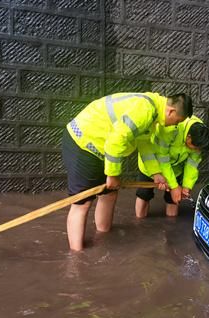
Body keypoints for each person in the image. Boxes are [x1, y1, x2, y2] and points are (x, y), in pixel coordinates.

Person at [61, 92, 193, 251]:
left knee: (110, 193)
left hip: (101, 151)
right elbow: (115, 142)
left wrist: (156, 174)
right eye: (177, 121)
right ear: (170, 111)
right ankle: (77, 259)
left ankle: (103, 238)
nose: (174, 125)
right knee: (82, 202)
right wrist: (113, 174)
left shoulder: (153, 114)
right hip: (82, 143)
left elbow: (144, 146)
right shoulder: (145, 110)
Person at [135, 115, 209, 218]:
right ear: (188, 137)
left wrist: (187, 186)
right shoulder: (171, 128)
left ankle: (170, 224)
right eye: (194, 148)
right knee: (143, 195)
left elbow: (192, 165)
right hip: (152, 166)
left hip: (175, 169)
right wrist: (174, 186)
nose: (196, 151)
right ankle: (140, 221)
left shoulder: (200, 139)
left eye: (199, 149)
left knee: (173, 200)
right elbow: (162, 160)